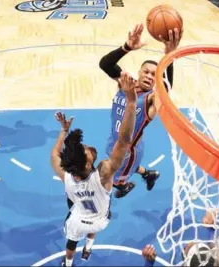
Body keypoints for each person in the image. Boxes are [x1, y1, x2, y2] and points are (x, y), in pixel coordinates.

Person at [50, 72, 139, 266]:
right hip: (100, 220)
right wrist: (131, 102)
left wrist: (64, 130)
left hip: (78, 219)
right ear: (89, 164)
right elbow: (124, 141)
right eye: (86, 151)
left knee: (71, 240)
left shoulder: (65, 174)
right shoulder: (104, 174)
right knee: (98, 213)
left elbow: (54, 155)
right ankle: (88, 248)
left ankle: (68, 263)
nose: (87, 147)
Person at [99, 23, 183, 198]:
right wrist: (127, 47)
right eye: (146, 71)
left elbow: (165, 91)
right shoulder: (127, 85)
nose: (149, 76)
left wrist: (169, 56)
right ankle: (148, 174)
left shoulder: (150, 100)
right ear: (139, 72)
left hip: (128, 152)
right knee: (113, 163)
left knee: (111, 179)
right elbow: (105, 64)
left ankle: (123, 186)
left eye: (154, 75)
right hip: (113, 139)